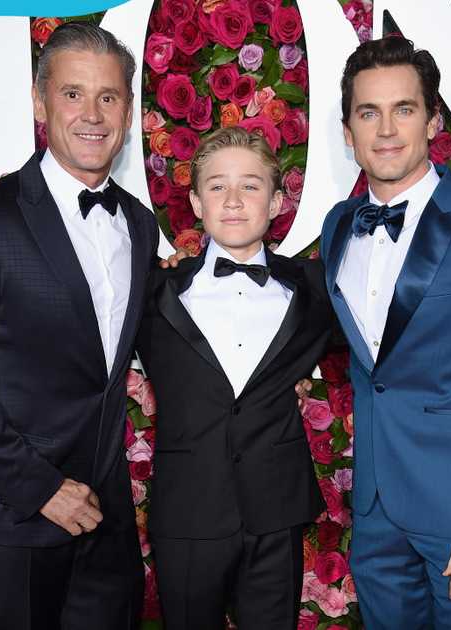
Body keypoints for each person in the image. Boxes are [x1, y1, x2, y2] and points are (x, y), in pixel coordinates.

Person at [0, 22, 152, 629]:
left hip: (108, 525)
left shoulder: (141, 227)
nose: (91, 113)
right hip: (11, 521)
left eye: (109, 96)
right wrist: (41, 487)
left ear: (128, 109)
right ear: (42, 103)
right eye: (72, 94)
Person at [319, 36, 451, 628]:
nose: (385, 129)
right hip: (375, 516)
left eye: (403, 109)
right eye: (367, 112)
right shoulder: (337, 226)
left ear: (432, 121)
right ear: (348, 131)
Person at [135, 128, 339, 629]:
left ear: (274, 202)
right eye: (217, 186)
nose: (232, 200)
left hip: (276, 511)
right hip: (187, 510)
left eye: (250, 186)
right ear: (195, 202)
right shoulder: (152, 291)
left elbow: (394, 306)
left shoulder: (315, 287)